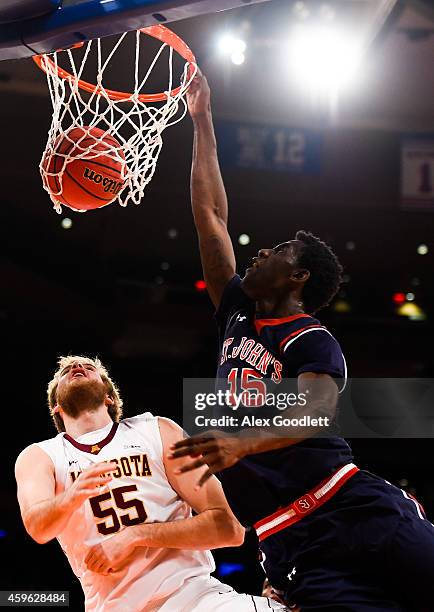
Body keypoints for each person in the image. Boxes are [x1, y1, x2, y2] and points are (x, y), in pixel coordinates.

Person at [169, 72, 434, 611]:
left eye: (279, 252)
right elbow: (211, 217)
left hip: (353, 505)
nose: (262, 251)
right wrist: (202, 122)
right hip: (293, 542)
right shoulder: (238, 312)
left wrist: (241, 444)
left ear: (299, 279)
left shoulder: (311, 337)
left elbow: (315, 410)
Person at [15, 355, 289, 612]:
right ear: (56, 408)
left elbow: (229, 529)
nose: (77, 367)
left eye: (90, 367)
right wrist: (71, 495)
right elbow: (37, 528)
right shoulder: (41, 456)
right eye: (65, 371)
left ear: (109, 397)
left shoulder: (156, 431)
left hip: (195, 597)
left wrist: (135, 536)